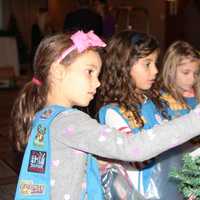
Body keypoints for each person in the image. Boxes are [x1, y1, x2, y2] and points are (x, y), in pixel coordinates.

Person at [11, 30, 200, 199]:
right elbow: (134, 147)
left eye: (98, 74)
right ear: (58, 72)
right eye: (90, 72)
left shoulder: (45, 116)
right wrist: (194, 120)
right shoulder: (71, 122)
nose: (98, 83)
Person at [97, 30, 197, 199]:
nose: (156, 70)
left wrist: (188, 179)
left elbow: (176, 150)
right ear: (124, 65)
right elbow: (138, 156)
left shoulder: (156, 102)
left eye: (155, 63)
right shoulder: (113, 113)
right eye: (147, 64)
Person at [156, 40, 200, 199]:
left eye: (195, 73)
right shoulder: (161, 101)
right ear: (170, 70)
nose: (192, 79)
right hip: (173, 169)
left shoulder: (197, 98)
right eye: (186, 73)